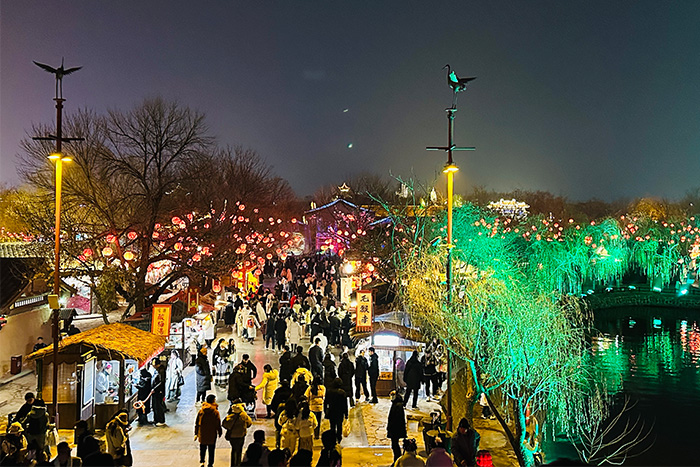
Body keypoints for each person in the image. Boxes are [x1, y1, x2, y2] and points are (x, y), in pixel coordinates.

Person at [223, 399, 253, 466]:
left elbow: (224, 424)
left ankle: (233, 464)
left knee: (234, 449)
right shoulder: (244, 415)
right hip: (241, 435)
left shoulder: (230, 416)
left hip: (232, 436)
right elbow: (249, 423)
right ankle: (238, 463)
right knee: (239, 450)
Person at [195, 394, 222, 467]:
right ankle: (210, 464)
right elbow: (218, 423)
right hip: (212, 433)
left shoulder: (201, 411)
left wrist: (196, 432)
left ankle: (202, 461)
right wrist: (219, 431)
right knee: (211, 449)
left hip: (202, 433)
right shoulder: (215, 412)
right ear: (213, 400)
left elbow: (197, 422)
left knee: (202, 448)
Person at [324, 378, 347, 444]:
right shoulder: (342, 392)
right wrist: (346, 414)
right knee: (339, 426)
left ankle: (333, 439)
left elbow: (326, 402)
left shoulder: (329, 391)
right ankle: (339, 439)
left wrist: (325, 411)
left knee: (332, 426)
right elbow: (345, 404)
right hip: (340, 412)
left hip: (332, 411)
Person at [387, 393, 407, 463]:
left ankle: (397, 460)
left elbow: (396, 419)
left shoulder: (397, 405)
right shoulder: (397, 404)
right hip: (396, 429)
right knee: (394, 445)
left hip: (395, 429)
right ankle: (397, 460)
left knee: (395, 445)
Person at [151, 359, 167, 426]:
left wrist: (154, 388)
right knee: (155, 406)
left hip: (159, 391)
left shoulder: (161, 371)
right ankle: (156, 419)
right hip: (155, 391)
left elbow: (161, 382)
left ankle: (161, 420)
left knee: (159, 406)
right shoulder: (157, 370)